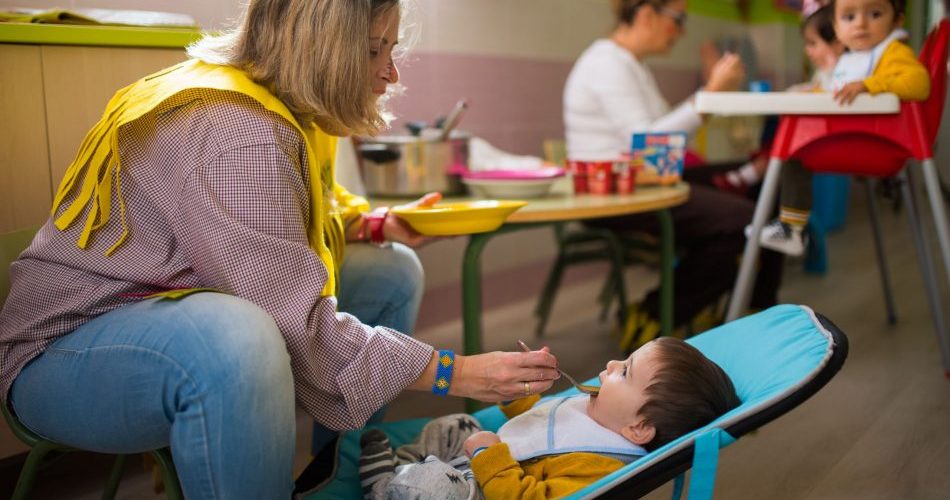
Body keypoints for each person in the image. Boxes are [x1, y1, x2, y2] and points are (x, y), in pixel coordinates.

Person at [0, 1, 560, 497]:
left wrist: (375, 226)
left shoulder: (271, 101)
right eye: (374, 50)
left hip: (152, 309)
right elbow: (296, 320)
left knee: (391, 271)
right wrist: (451, 373)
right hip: (63, 350)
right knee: (236, 338)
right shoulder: (236, 130)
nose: (390, 72)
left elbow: (278, 226)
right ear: (321, 45)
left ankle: (334, 474)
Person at [563, 0, 784, 348]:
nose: (681, 31)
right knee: (743, 220)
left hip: (643, 179)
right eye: (678, 19)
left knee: (770, 181)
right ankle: (653, 313)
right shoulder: (606, 63)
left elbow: (663, 144)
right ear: (647, 14)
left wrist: (710, 96)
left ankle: (755, 307)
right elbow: (649, 145)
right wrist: (710, 94)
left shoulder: (631, 65)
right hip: (614, 191)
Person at [357, 337, 740, 499]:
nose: (611, 364)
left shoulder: (598, 466)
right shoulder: (599, 411)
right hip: (481, 460)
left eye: (625, 371)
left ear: (638, 428)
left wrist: (490, 457)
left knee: (436, 484)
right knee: (457, 424)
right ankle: (406, 465)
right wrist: (519, 397)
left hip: (482, 489)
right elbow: (543, 426)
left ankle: (384, 486)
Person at [756, 0, 930, 256]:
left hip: (873, 144)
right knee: (790, 149)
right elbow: (835, 93)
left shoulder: (892, 51)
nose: (861, 23)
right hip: (858, 139)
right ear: (837, 28)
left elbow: (920, 83)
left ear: (897, 21)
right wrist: (812, 94)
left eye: (875, 13)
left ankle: (791, 227)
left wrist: (870, 85)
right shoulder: (851, 59)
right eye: (849, 17)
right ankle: (791, 227)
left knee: (791, 151)